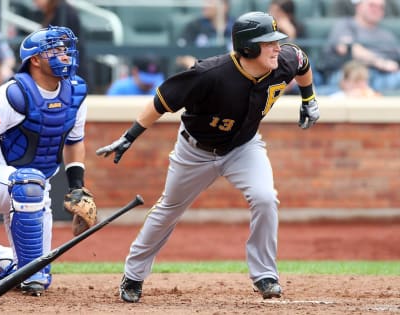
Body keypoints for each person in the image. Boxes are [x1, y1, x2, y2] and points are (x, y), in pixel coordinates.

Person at [96, 11, 320, 303]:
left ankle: (265, 275)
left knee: (265, 197)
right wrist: (129, 136)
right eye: (269, 42)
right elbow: (161, 101)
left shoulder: (283, 60)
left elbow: (302, 60)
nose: (277, 47)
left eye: (277, 42)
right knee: (168, 210)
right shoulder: (210, 74)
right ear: (248, 47)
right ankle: (134, 275)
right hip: (195, 151)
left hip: (243, 147)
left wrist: (308, 98)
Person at [0, 25, 95, 296]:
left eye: (65, 49)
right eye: (55, 49)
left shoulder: (76, 91)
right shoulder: (11, 94)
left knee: (38, 276)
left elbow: (75, 142)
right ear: (35, 59)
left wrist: (77, 188)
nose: (64, 55)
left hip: (35, 187)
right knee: (30, 184)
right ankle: (25, 270)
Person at [318, 0, 400, 95]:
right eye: (372, 5)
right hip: (350, 74)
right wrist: (380, 62)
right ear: (359, 7)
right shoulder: (345, 25)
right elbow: (346, 48)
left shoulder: (387, 35)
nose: (377, 10)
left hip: (384, 78)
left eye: (381, 7)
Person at [33, 0, 89, 83]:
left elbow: (64, 41)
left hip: (70, 66)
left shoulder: (63, 11)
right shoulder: (53, 10)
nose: (35, 2)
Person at [175, 0, 236, 70]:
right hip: (201, 73)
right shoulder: (194, 26)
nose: (205, 5)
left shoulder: (236, 26)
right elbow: (180, 55)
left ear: (224, 6)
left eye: (210, 2)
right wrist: (193, 65)